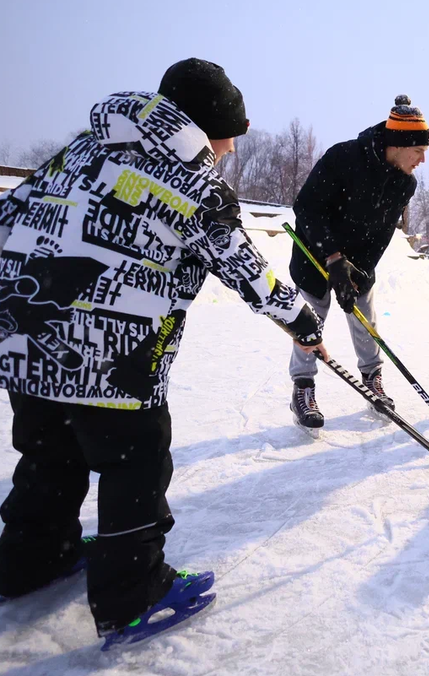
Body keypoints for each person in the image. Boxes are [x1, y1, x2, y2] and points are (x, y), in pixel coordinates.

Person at [0, 58, 327, 647]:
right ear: (209, 127)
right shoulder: (194, 179)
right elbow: (244, 270)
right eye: (230, 136)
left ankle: (32, 558)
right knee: (136, 463)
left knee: (51, 452)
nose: (228, 150)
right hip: (113, 353)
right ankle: (132, 597)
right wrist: (300, 320)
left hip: (24, 336)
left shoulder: (83, 148)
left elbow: (11, 215)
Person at [288, 95, 429, 434]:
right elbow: (306, 207)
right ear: (399, 144)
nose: (422, 160)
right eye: (419, 151)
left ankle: (372, 378)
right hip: (315, 255)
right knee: (310, 322)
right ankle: (303, 387)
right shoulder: (344, 156)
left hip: (357, 265)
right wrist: (333, 257)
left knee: (366, 321)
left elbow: (382, 233)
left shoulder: (404, 183)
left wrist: (360, 272)